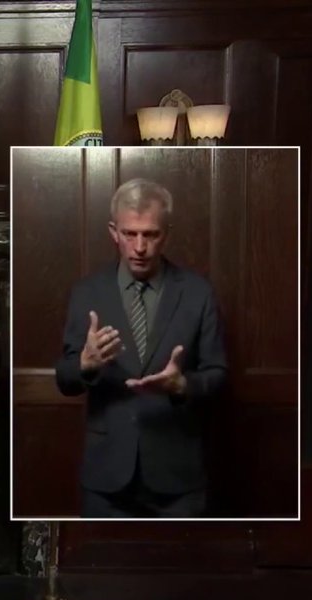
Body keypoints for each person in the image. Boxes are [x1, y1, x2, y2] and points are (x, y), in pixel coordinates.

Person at [55, 177, 227, 518]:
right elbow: (65, 377)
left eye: (150, 234)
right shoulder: (88, 293)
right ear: (113, 232)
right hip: (107, 478)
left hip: (178, 477)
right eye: (130, 234)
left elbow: (218, 374)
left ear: (167, 234)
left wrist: (183, 386)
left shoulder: (197, 293)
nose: (139, 246)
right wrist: (85, 365)